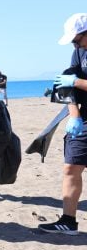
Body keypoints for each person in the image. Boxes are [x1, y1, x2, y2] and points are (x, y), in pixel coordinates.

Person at [38, 13, 87, 235]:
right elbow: (68, 86)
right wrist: (74, 115)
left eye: (77, 39)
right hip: (84, 117)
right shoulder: (78, 52)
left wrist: (76, 81)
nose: (75, 44)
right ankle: (68, 221)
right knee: (71, 167)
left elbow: (74, 82)